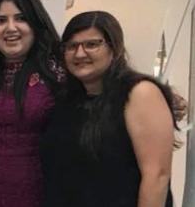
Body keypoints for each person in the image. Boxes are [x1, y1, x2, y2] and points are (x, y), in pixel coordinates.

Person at [41, 11, 178, 207]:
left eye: (92, 44)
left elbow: (157, 176)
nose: (80, 53)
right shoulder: (66, 99)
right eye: (71, 46)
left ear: (114, 47)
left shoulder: (140, 93)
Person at [0, 0, 63, 207]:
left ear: (36, 23)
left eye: (21, 18)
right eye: (0, 21)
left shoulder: (58, 72)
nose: (10, 28)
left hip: (46, 188)